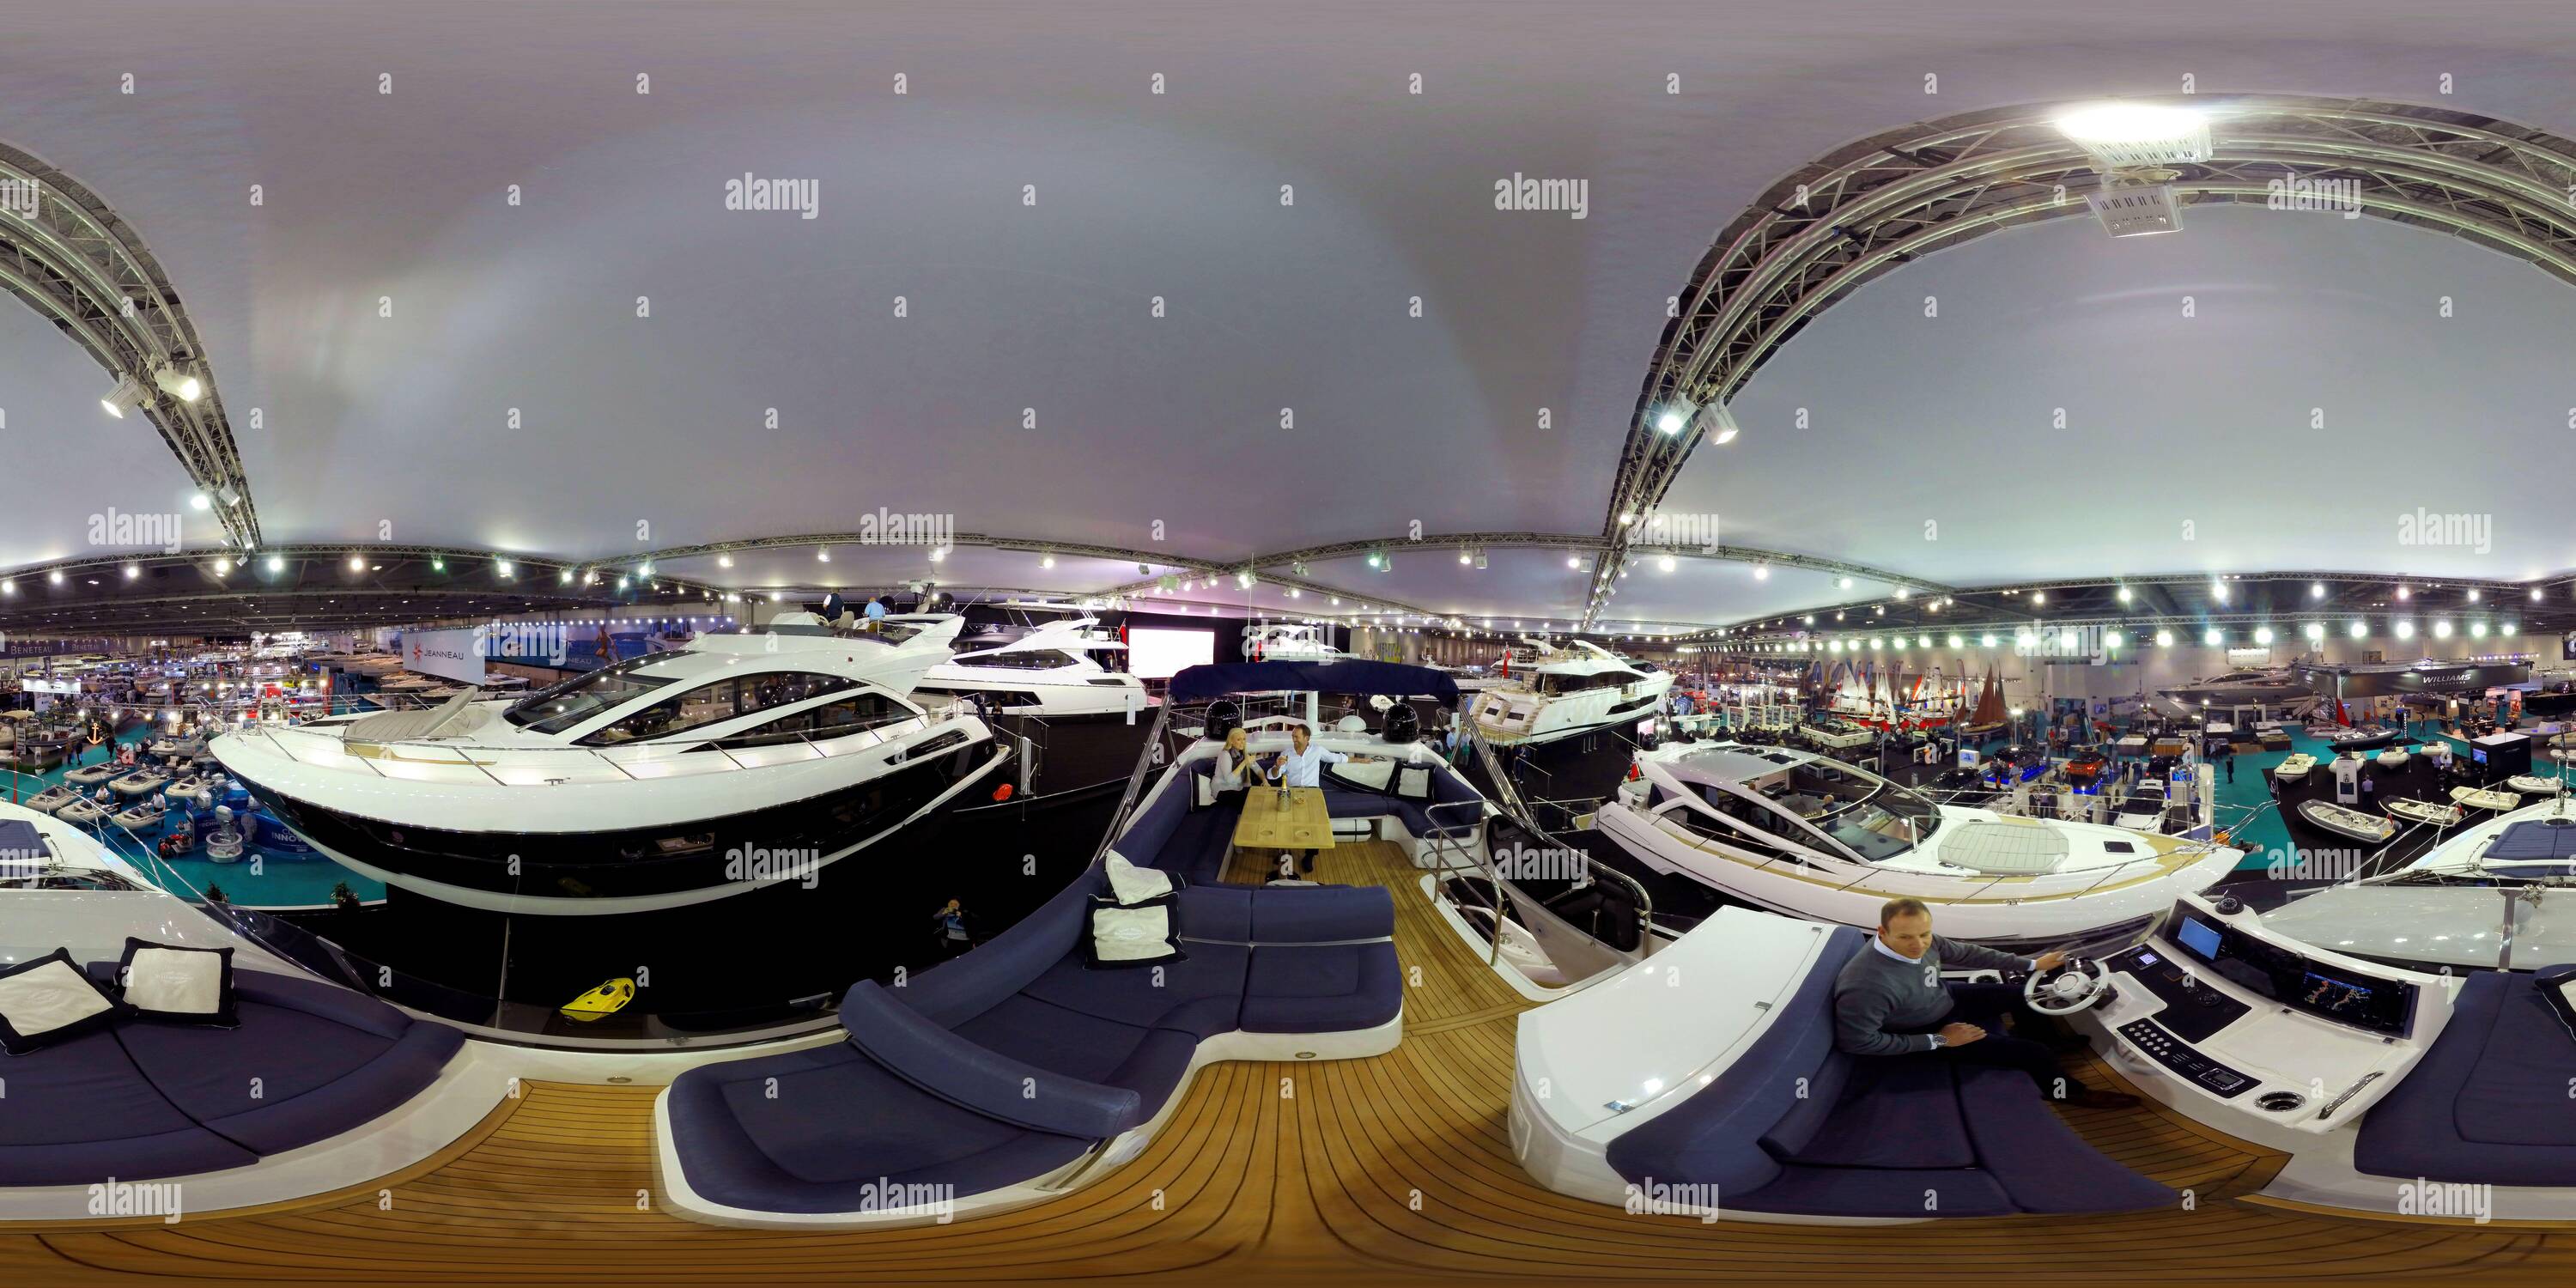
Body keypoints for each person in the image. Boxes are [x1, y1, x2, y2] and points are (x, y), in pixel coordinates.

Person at [1833, 896, 2139, 1109]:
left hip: (1944, 996)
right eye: (1906, 938)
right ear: (1882, 932)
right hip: (1926, 1028)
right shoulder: (1866, 985)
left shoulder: (1925, 940)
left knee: (2025, 995)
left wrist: (2032, 965)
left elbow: (1969, 954)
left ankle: (2051, 1043)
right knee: (2033, 1053)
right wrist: (1941, 1040)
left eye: (1924, 934)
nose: (1918, 945)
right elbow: (1858, 1043)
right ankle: (2065, 1093)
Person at [1262, 723, 1360, 872]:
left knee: (1315, 824)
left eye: (1296, 736)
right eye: (1293, 736)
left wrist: (1361, 761)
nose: (1293, 739)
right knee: (1284, 822)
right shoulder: (1286, 753)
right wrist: (1276, 766)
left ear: (1306, 738)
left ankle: (1309, 855)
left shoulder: (1317, 750)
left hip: (1312, 792)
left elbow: (1337, 758)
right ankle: (1284, 851)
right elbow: (1273, 775)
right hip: (1292, 791)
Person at [1212, 726, 1256, 793]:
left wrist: (1264, 780)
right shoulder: (1225, 755)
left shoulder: (1242, 753)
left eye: (1244, 739)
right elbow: (1229, 780)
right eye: (1239, 739)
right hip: (1222, 791)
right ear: (1231, 741)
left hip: (1236, 789)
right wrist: (1244, 763)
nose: (1242, 742)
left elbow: (1256, 768)